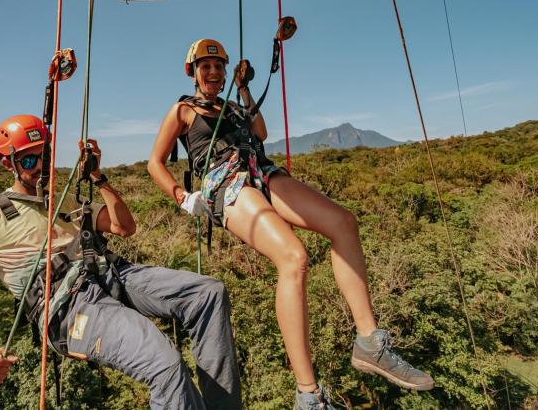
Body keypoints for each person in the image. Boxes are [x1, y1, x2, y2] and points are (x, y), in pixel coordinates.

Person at [148, 39, 434, 409]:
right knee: (293, 257)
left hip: (259, 170)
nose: (214, 73)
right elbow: (154, 162)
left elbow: (261, 133)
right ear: (192, 71)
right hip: (226, 182)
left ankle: (369, 342)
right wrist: (182, 197)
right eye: (206, 67)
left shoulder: (234, 107)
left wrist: (245, 87)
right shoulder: (183, 110)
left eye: (219, 67)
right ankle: (308, 395)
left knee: (343, 222)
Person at [0, 114, 242, 410]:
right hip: (67, 304)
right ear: (7, 161)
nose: (39, 166)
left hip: (108, 273)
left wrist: (99, 179)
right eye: (28, 159)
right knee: (164, 363)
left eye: (44, 156)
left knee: (207, 294)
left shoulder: (62, 199)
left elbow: (124, 227)